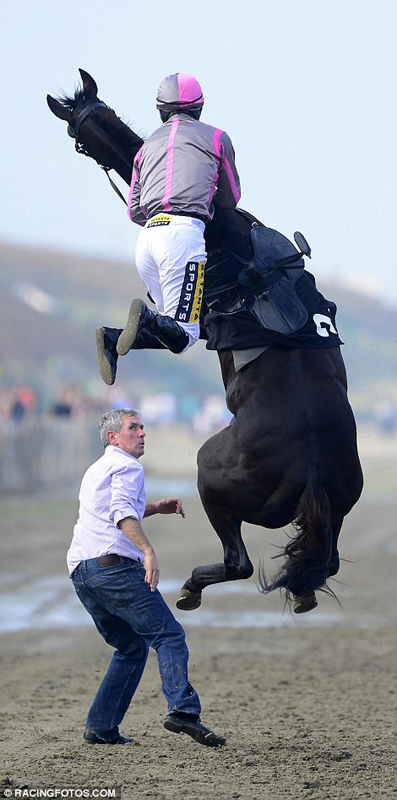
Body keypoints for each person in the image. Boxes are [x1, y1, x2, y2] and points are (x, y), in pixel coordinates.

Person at [68, 407, 225, 747]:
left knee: (130, 647)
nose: (142, 433)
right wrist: (149, 552)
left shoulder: (98, 468)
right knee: (168, 635)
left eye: (142, 427)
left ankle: (101, 726)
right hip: (114, 569)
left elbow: (112, 508)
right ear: (113, 437)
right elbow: (122, 512)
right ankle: (183, 710)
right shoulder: (128, 465)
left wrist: (154, 507)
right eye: (133, 428)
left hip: (83, 573)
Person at [96, 72, 241, 385]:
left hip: (147, 238)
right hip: (183, 238)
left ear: (161, 111)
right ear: (199, 108)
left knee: (173, 330)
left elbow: (134, 210)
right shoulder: (217, 137)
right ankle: (144, 316)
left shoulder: (148, 146)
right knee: (185, 335)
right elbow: (231, 198)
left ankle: (112, 337)